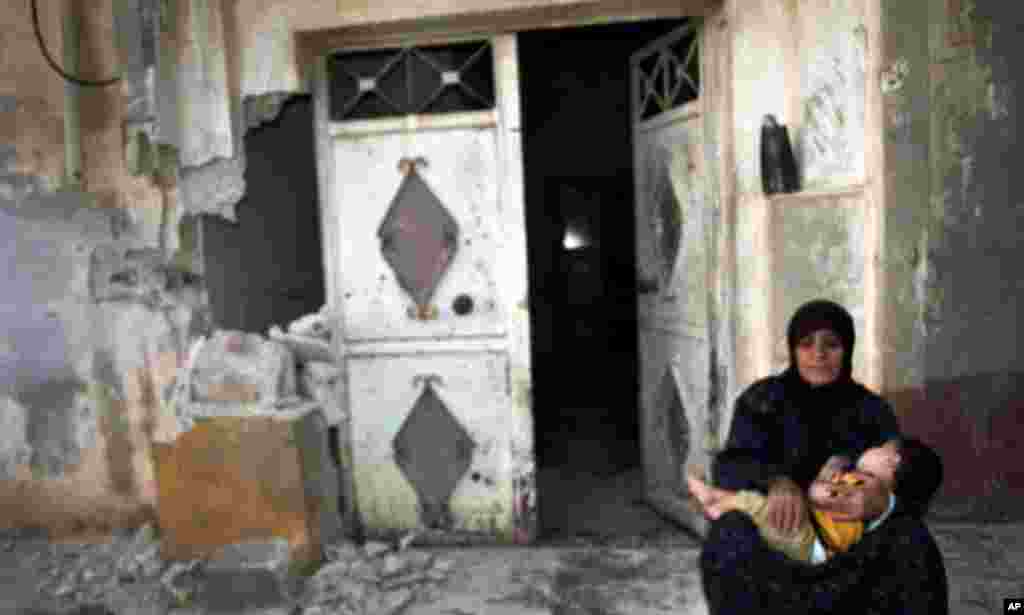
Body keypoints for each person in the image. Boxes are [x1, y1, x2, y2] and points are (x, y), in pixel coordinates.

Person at [700, 299, 949, 614]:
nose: (818, 354)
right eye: (806, 344)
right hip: (778, 546)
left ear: (847, 351)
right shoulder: (761, 401)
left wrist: (882, 504)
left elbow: (911, 483)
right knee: (728, 535)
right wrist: (777, 482)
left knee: (912, 542)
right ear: (792, 349)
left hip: (849, 554)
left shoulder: (871, 410)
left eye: (831, 345)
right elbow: (731, 465)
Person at [688, 436, 941, 563]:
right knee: (756, 505)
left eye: (880, 447)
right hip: (815, 543)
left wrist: (823, 478)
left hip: (809, 543)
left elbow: (820, 496)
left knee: (759, 509)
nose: (869, 449)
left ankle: (714, 501)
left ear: (892, 460)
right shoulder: (886, 507)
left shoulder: (866, 486)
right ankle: (717, 499)